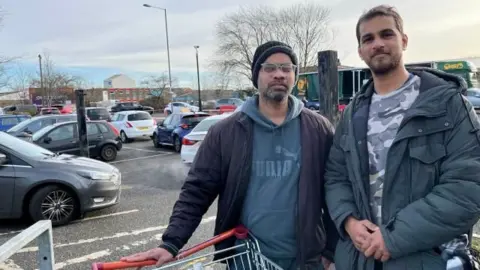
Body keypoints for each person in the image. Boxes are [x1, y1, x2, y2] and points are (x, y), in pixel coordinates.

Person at [121, 40, 338, 270]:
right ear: (256, 76)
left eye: (286, 68)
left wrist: (331, 251)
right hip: (247, 259)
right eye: (270, 68)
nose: (279, 74)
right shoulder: (226, 132)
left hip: (306, 261)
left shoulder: (318, 129)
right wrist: (171, 243)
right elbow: (197, 191)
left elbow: (335, 189)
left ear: (294, 75)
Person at [324, 4, 480, 270]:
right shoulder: (352, 114)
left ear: (404, 40)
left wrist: (392, 238)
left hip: (426, 258)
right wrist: (349, 222)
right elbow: (336, 177)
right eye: (368, 39)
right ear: (361, 51)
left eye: (387, 34)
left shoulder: (446, 105)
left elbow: (467, 187)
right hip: (361, 259)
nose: (378, 44)